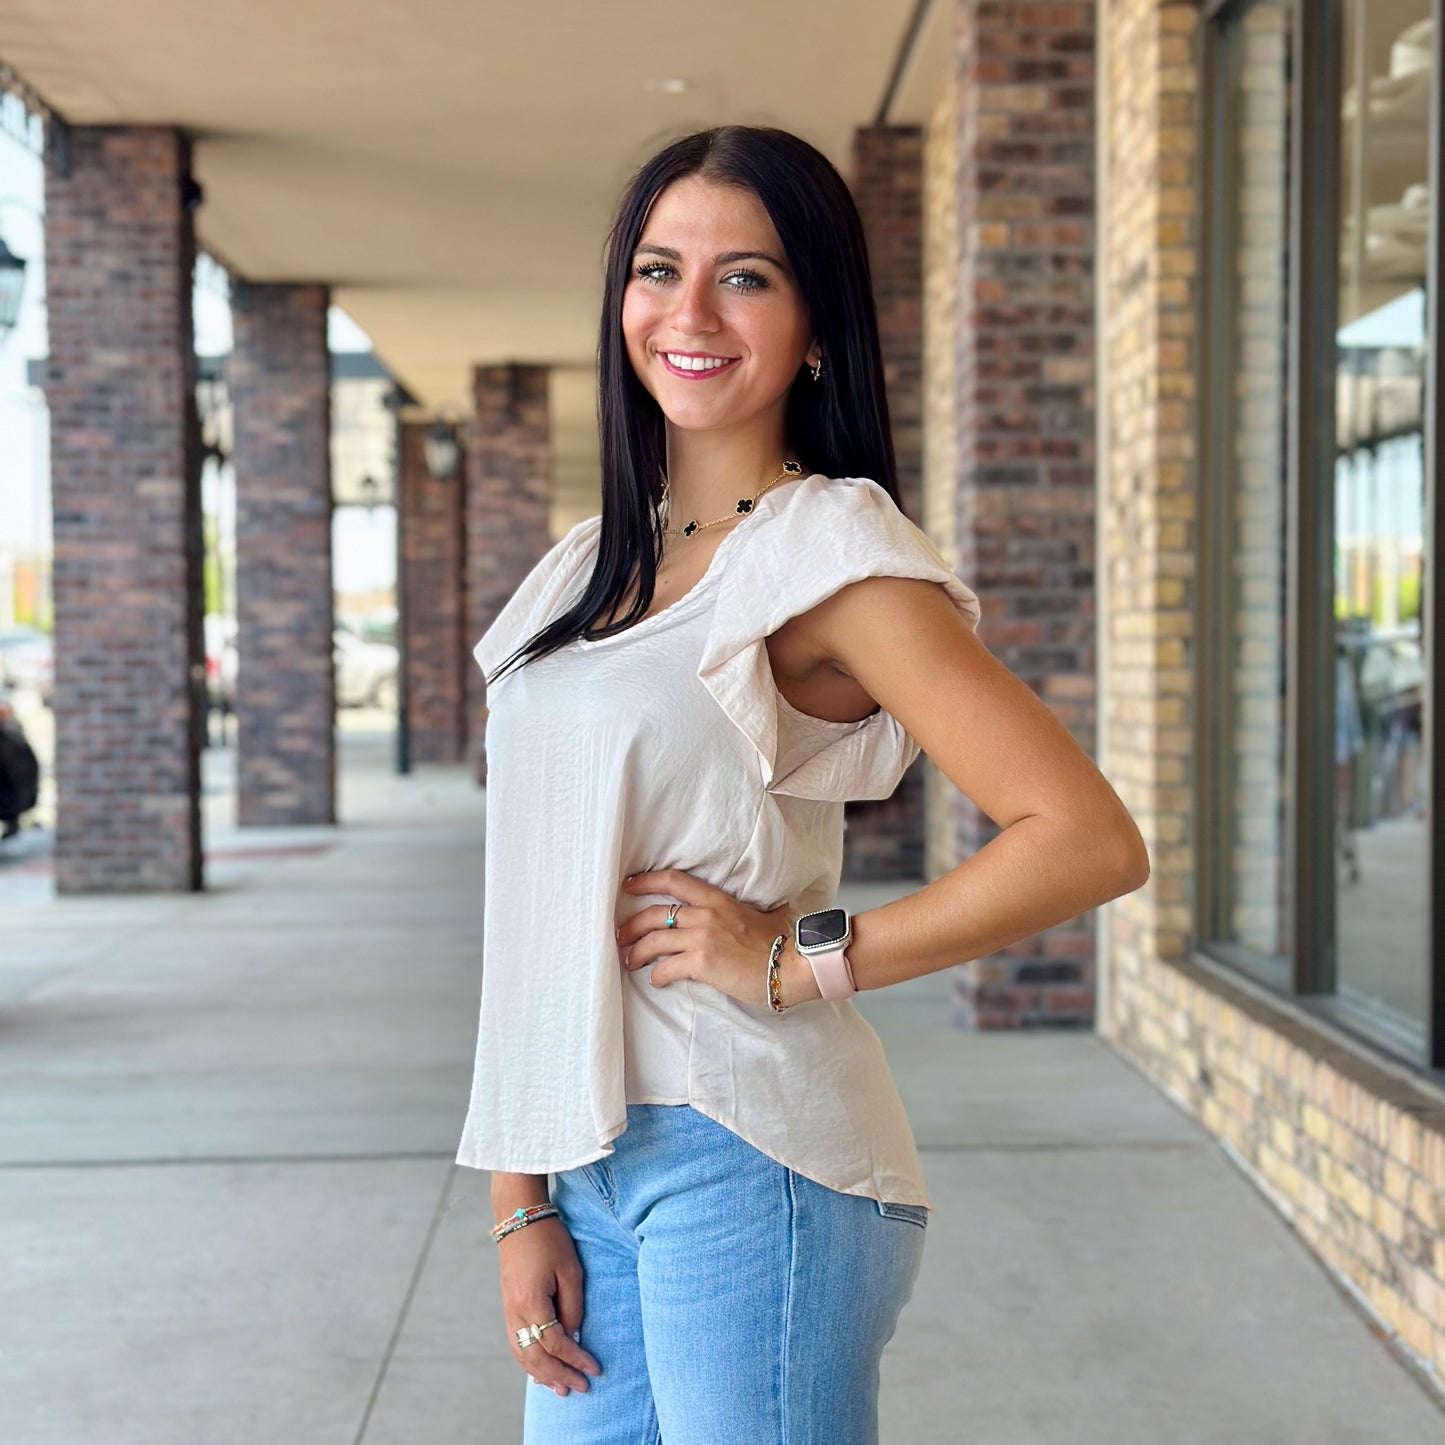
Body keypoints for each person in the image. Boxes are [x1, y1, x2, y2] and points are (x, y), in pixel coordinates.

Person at [455, 125, 1150, 1445]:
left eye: (748, 277)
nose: (690, 312)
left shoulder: (829, 553)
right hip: (589, 1157)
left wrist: (798, 957)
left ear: (816, 322)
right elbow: (532, 893)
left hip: (746, 1155)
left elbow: (1083, 839)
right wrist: (521, 1192)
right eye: (659, 269)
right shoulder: (584, 566)